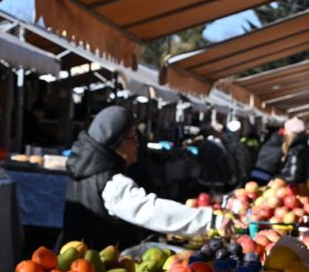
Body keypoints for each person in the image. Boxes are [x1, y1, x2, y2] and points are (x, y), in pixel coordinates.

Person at [62, 105, 228, 248]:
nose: (138, 143)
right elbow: (151, 211)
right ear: (117, 143)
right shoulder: (110, 183)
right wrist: (211, 221)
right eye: (133, 136)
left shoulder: (84, 171)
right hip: (92, 270)